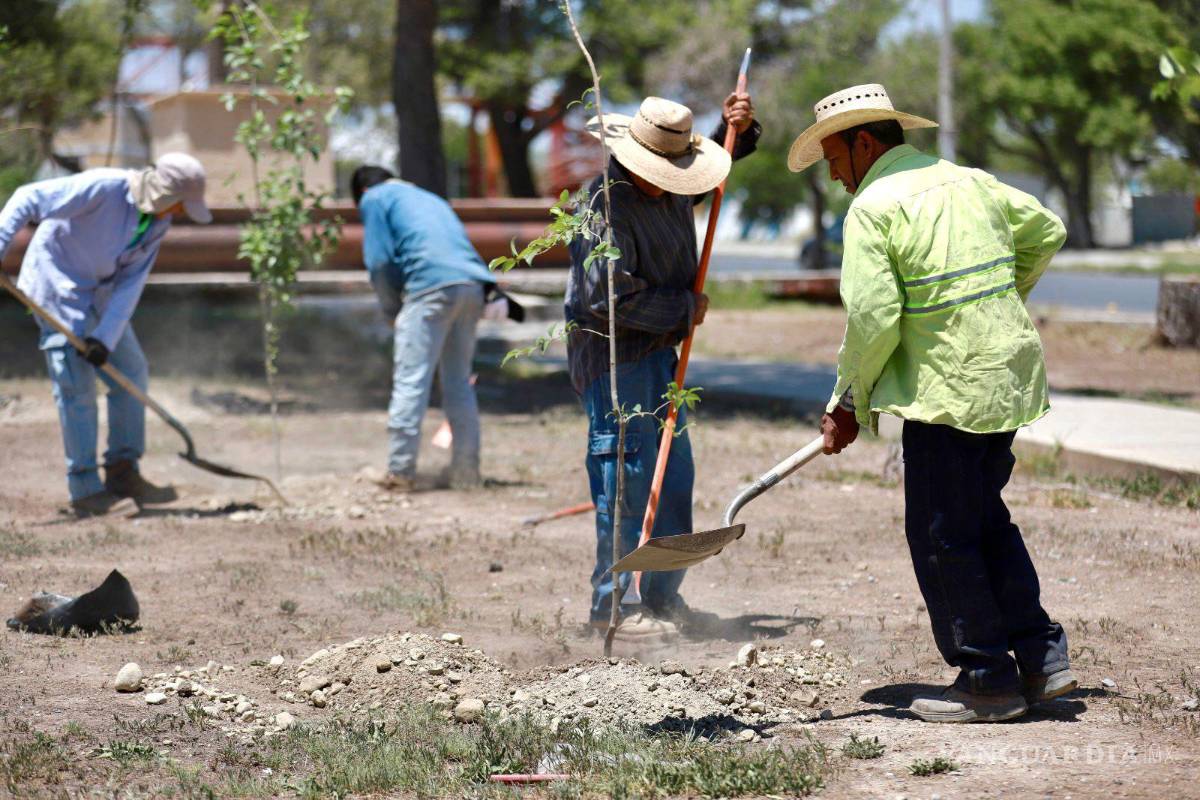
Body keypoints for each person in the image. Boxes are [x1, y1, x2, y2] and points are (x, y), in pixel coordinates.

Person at [787, 84, 1076, 722]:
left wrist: (848, 402)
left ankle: (988, 680)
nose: (834, 175)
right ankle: (1040, 656)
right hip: (1002, 373)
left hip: (946, 386)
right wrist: (996, 304)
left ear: (865, 143)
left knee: (944, 533)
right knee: (979, 517)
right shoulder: (968, 180)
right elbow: (1047, 230)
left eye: (835, 158)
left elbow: (872, 318)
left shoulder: (873, 208)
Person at [567, 92, 759, 641]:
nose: (670, 183)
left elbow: (709, 176)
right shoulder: (602, 208)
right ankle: (614, 609)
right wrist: (685, 307)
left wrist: (735, 132)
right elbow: (606, 300)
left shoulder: (671, 186)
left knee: (673, 478)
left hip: (659, 355)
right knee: (623, 479)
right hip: (614, 357)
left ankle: (661, 597)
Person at [0, 154, 212, 517]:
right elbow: (26, 197)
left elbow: (132, 282)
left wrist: (105, 338)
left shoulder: (157, 223)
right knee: (76, 386)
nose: (178, 213)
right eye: (178, 204)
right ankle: (84, 489)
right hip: (58, 288)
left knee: (132, 372)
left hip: (103, 294)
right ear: (161, 193)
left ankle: (122, 472)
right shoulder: (103, 187)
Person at [351, 167, 519, 491]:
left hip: (430, 288)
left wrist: (392, 310)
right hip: (473, 286)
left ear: (361, 190)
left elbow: (379, 261)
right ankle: (466, 473)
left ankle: (399, 471)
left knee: (411, 380)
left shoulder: (374, 198)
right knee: (459, 382)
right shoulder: (431, 199)